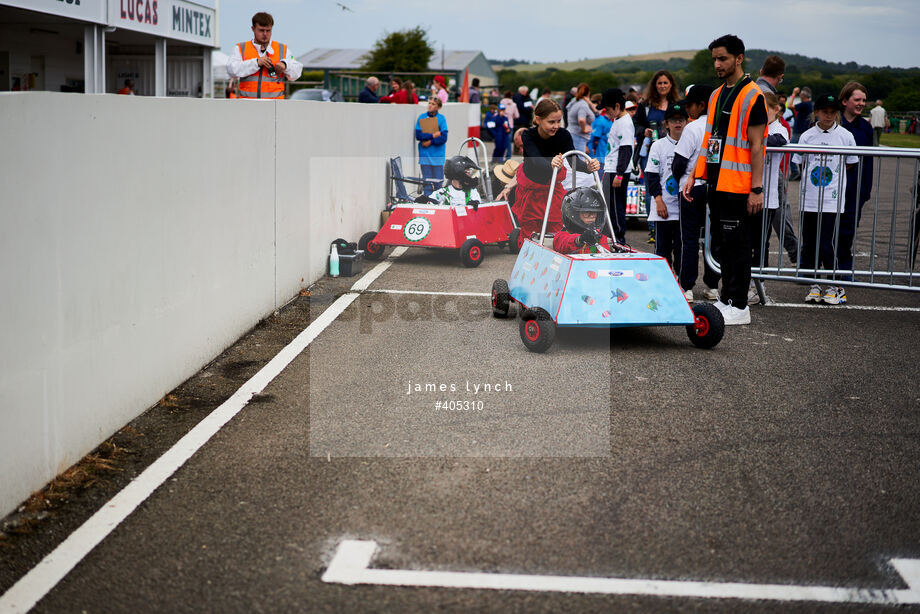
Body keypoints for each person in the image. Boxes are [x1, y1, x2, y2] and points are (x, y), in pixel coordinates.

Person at [683, 34, 768, 325]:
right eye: (715, 59)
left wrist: (756, 189)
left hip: (740, 184)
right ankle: (725, 298)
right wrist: (695, 174)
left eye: (723, 58)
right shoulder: (716, 94)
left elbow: (758, 145)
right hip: (716, 183)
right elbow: (709, 140)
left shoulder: (753, 94)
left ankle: (739, 304)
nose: (718, 64)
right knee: (721, 244)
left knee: (738, 245)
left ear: (739, 58)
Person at [792, 93, 857, 305]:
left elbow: (849, 164)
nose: (828, 116)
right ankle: (814, 284)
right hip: (810, 198)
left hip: (831, 200)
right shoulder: (806, 136)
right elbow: (801, 164)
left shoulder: (845, 136)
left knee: (828, 243)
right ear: (816, 112)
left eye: (832, 112)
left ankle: (836, 286)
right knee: (810, 243)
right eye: (824, 112)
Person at [514, 98, 600, 248]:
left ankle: (555, 260)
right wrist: (550, 164)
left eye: (559, 121)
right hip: (531, 189)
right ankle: (530, 259)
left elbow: (574, 162)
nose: (556, 126)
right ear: (538, 120)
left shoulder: (563, 135)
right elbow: (535, 161)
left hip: (551, 187)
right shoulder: (528, 135)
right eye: (551, 122)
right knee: (531, 232)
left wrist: (588, 166)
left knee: (556, 227)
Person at [672, 84, 720, 303]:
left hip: (691, 187)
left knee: (689, 238)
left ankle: (687, 286)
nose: (687, 109)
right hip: (713, 186)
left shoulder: (692, 128)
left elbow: (679, 162)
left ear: (701, 105)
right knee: (712, 238)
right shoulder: (717, 125)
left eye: (690, 104)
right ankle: (712, 286)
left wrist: (679, 177)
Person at [748, 92, 789, 304]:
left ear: (777, 110)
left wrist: (753, 138)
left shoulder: (779, 130)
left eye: (767, 110)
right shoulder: (754, 127)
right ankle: (746, 283)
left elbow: (777, 141)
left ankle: (758, 286)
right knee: (746, 241)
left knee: (761, 243)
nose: (763, 114)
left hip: (767, 197)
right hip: (747, 194)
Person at [837, 81, 874, 287]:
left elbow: (868, 161)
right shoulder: (835, 123)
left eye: (863, 100)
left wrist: (865, 189)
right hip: (833, 187)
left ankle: (844, 269)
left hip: (855, 188)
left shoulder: (866, 127)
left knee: (848, 230)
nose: (861, 103)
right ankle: (817, 268)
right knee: (827, 230)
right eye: (856, 100)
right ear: (845, 101)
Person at [645, 102, 688, 271]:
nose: (678, 123)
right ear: (667, 124)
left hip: (683, 208)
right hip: (663, 207)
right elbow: (652, 175)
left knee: (681, 248)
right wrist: (658, 200)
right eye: (674, 120)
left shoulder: (691, 144)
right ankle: (662, 279)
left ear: (686, 122)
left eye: (681, 120)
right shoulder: (658, 145)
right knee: (662, 249)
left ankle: (680, 281)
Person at [639, 70, 680, 244]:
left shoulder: (677, 104)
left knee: (673, 185)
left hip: (675, 150)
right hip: (651, 151)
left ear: (671, 85)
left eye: (665, 83)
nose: (662, 86)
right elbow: (636, 126)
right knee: (651, 189)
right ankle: (654, 228)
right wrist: (644, 131)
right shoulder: (646, 105)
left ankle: (674, 224)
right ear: (654, 86)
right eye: (659, 83)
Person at [227, 12, 303, 100]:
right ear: (253, 29)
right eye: (261, 30)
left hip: (274, 108)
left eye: (268, 30)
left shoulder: (283, 49)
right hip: (247, 107)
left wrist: (285, 65)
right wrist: (256, 63)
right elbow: (231, 70)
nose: (265, 34)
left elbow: (297, 72)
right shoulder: (241, 48)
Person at [602, 88, 634, 244]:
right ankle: (612, 236)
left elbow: (626, 149)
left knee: (616, 206)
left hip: (617, 171)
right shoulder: (618, 121)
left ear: (616, 106)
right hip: (611, 168)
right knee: (609, 204)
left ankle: (619, 238)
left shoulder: (625, 123)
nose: (606, 113)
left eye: (608, 110)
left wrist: (620, 174)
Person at [553, 187, 612, 254]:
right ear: (574, 214)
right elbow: (564, 244)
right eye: (587, 212)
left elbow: (604, 258)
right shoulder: (561, 236)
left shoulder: (599, 237)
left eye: (595, 213)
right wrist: (579, 239)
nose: (592, 216)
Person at [415, 97, 449, 195]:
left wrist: (429, 142)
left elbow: (443, 138)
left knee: (438, 183)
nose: (430, 105)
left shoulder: (441, 119)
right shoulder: (422, 117)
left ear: (438, 107)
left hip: (437, 156)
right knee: (427, 183)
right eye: (429, 103)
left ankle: (438, 204)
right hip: (425, 155)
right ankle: (427, 202)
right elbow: (419, 135)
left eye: (433, 104)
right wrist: (433, 135)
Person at [566, 83, 595, 155]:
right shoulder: (583, 105)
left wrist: (590, 103)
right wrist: (584, 129)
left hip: (571, 132)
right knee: (579, 159)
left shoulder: (574, 101)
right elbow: (581, 120)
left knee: (572, 160)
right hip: (578, 135)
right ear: (588, 93)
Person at [589, 98, 613, 174]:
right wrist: (593, 148)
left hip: (605, 151)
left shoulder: (610, 122)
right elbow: (596, 137)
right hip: (598, 153)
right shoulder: (601, 121)